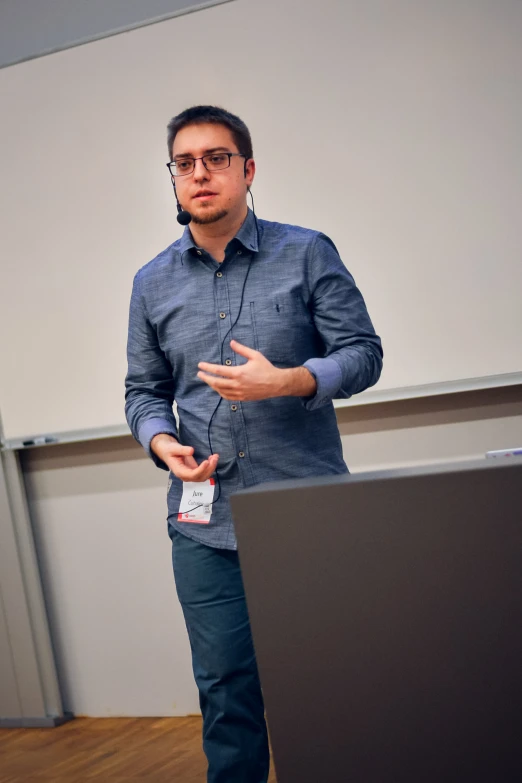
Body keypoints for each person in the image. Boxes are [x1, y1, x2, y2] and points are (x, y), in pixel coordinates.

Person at [125, 105, 383, 783]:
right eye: (185, 163)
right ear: (173, 177)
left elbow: (363, 355)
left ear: (247, 169)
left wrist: (291, 380)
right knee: (225, 695)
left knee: (327, 687)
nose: (200, 173)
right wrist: (160, 442)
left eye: (216, 158)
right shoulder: (151, 283)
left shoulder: (306, 251)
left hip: (307, 511)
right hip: (205, 526)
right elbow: (143, 391)